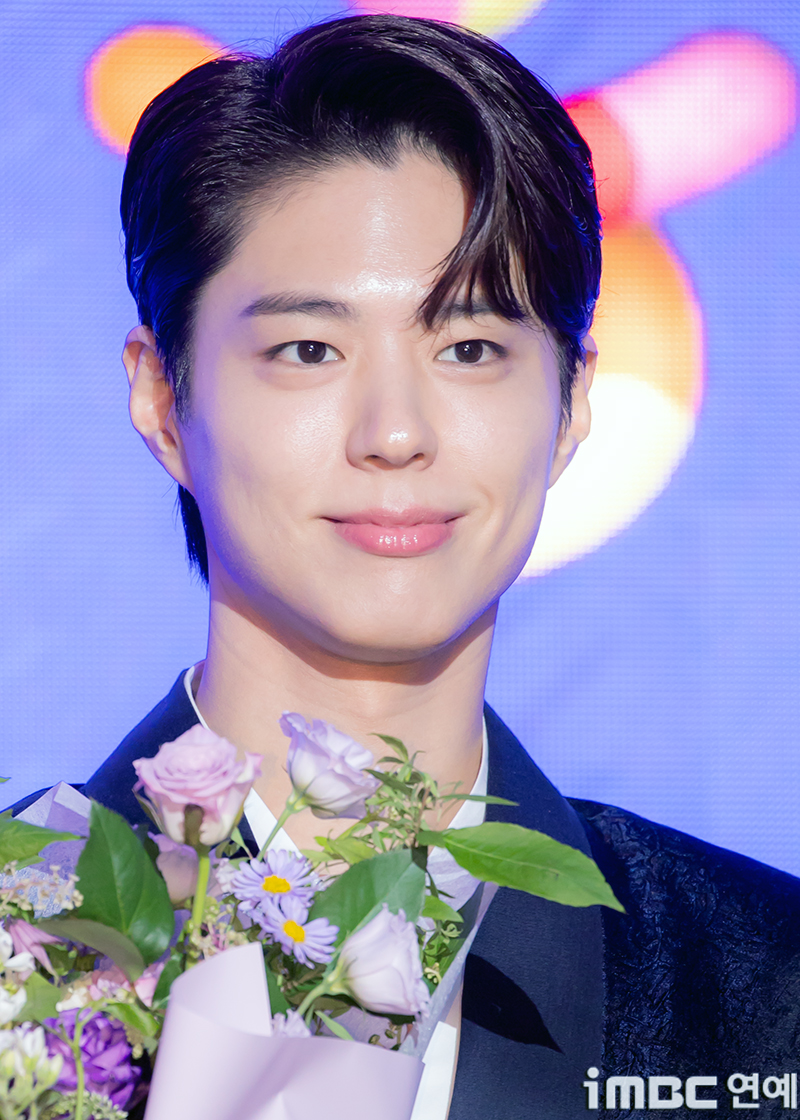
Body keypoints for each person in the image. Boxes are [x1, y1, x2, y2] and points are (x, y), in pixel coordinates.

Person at [11, 14, 800, 1118]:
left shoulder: (761, 980)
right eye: (309, 349)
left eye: (469, 349)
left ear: (572, 401)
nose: (394, 432)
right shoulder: (26, 928)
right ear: (160, 398)